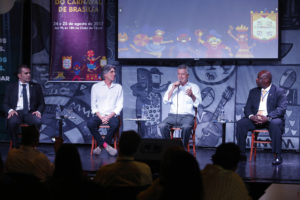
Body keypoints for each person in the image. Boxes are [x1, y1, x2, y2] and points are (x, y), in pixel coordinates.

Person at [236, 70, 287, 165]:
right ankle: (241, 153)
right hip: (255, 119)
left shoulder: (279, 91)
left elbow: (281, 108)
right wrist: (252, 117)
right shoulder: (253, 92)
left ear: (266, 80)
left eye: (258, 78)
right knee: (241, 123)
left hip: (270, 119)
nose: (256, 79)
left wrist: (268, 117)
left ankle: (277, 155)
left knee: (276, 124)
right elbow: (247, 108)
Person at [137, 146, 203, 200]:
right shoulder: (197, 188)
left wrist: (158, 182)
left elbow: (140, 197)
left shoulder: (160, 186)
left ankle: (183, 144)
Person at [158, 64, 201, 148]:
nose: (180, 76)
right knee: (162, 126)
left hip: (187, 117)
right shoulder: (172, 86)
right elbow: (165, 101)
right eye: (179, 74)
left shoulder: (194, 87)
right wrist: (173, 88)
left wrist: (192, 95)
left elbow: (198, 104)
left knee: (186, 127)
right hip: (172, 116)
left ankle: (182, 148)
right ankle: (168, 147)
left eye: (183, 74)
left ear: (187, 75)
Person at [2, 64, 45, 148]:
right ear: (19, 75)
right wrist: (10, 110)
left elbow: (42, 103)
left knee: (38, 121)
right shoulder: (10, 87)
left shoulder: (36, 87)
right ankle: (15, 145)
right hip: (16, 112)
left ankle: (32, 145)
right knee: (12, 122)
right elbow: (5, 103)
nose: (29, 75)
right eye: (26, 73)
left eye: (29, 73)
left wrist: (38, 111)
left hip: (30, 113)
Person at [87, 64, 123, 156]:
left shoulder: (118, 87)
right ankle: (106, 145)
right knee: (90, 123)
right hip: (99, 115)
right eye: (112, 72)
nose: (114, 74)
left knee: (115, 124)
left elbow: (119, 105)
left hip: (111, 115)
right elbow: (93, 106)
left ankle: (100, 146)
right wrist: (102, 117)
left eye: (114, 72)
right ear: (105, 74)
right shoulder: (96, 87)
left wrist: (108, 117)